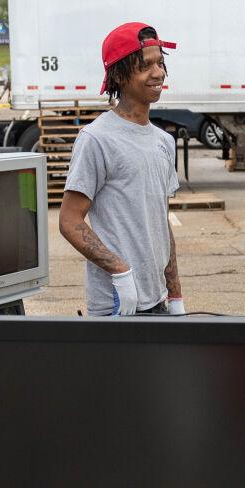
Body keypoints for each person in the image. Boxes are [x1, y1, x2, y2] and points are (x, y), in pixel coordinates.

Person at [58, 22, 186, 316]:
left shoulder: (163, 142)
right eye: (145, 66)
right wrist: (120, 271)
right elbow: (69, 220)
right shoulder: (97, 139)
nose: (158, 73)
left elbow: (160, 223)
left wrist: (175, 293)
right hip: (116, 304)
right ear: (118, 74)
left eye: (160, 63)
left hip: (157, 301)